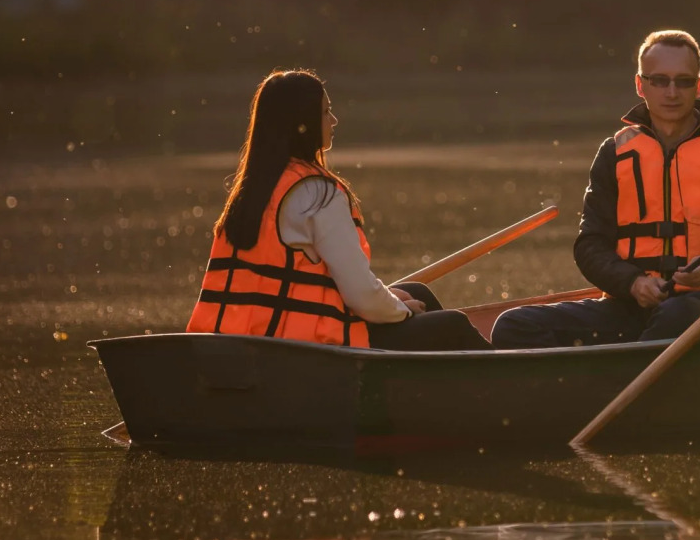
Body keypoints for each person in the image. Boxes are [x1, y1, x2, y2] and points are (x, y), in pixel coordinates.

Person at [492, 30, 700, 348]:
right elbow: (590, 246)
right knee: (513, 325)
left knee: (676, 315)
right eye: (659, 81)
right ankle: (620, 369)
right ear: (640, 85)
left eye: (684, 81)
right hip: (632, 306)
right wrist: (632, 283)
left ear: (699, 85)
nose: (672, 92)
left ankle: (620, 370)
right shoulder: (614, 153)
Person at [186, 69, 490, 351]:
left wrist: (392, 299)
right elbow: (361, 296)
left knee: (415, 291)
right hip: (312, 353)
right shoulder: (317, 194)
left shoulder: (252, 191)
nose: (334, 121)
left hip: (250, 346)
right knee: (453, 324)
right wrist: (402, 311)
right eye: (325, 112)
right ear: (302, 124)